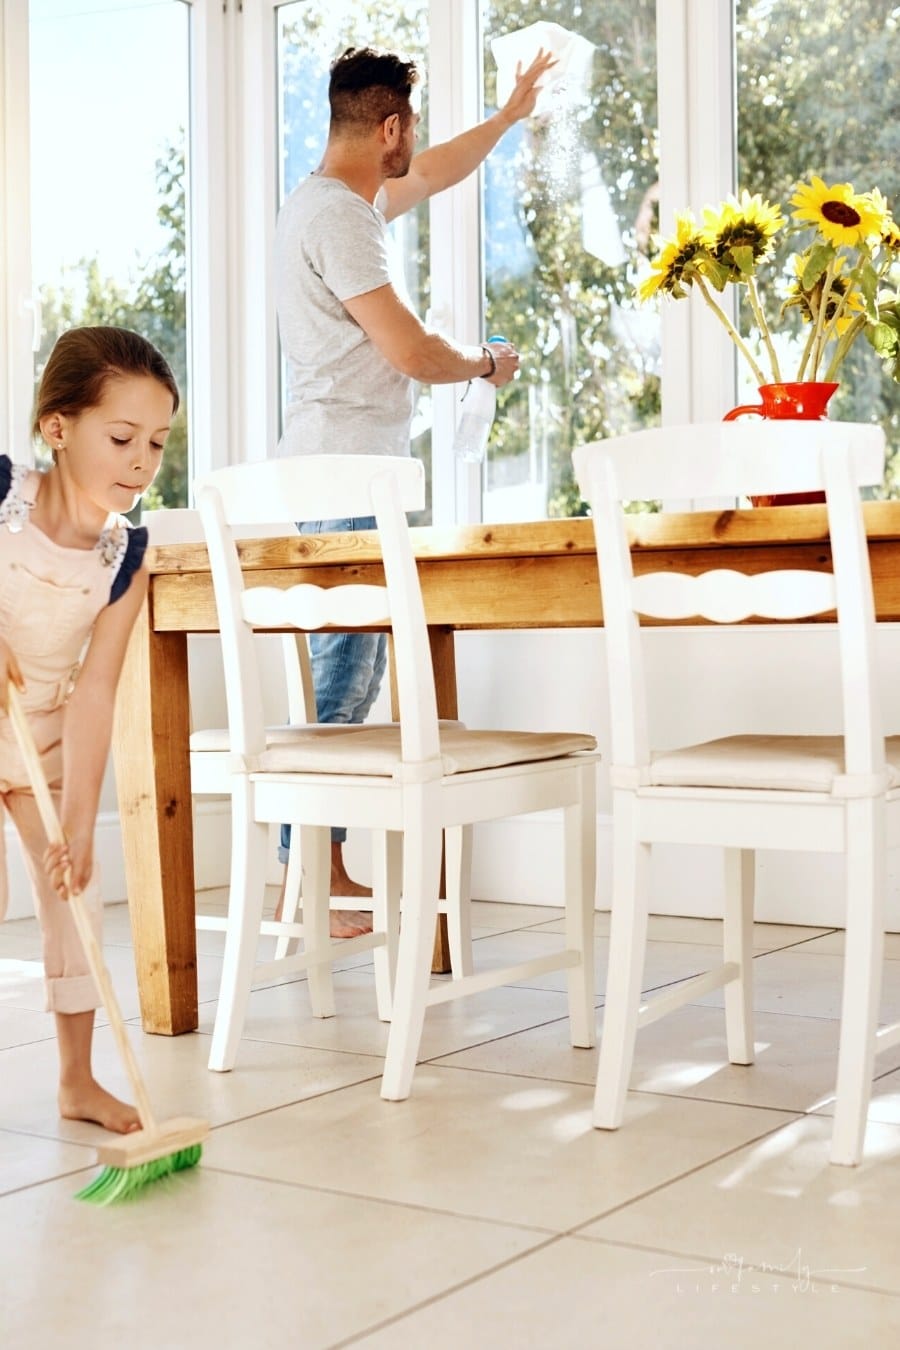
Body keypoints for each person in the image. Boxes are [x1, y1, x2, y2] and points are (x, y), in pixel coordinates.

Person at [273, 43, 553, 937]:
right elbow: (411, 351)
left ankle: (312, 867)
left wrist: (508, 117)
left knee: (343, 668)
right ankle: (308, 871)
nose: (415, 146)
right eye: (410, 128)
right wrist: (487, 361)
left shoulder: (330, 203)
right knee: (345, 677)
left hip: (335, 461)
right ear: (386, 124)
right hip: (350, 466)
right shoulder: (345, 221)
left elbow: (432, 172)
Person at [0, 325, 177, 1134]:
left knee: (75, 891)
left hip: (39, 730)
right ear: (57, 427)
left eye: (157, 442)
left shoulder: (125, 555)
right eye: (121, 437)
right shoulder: (2, 496)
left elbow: (96, 688)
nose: (141, 460)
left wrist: (78, 822)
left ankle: (77, 1080)